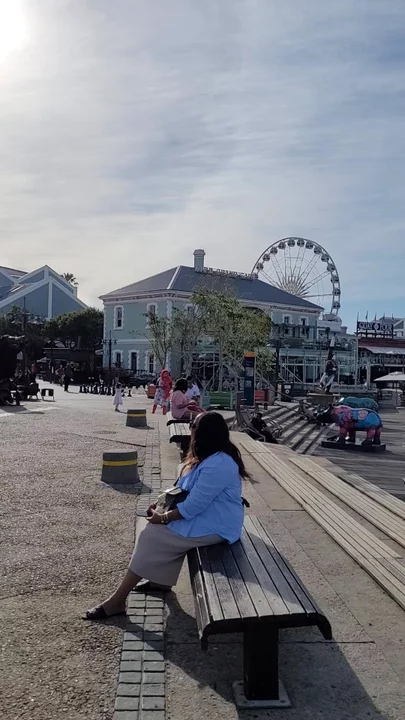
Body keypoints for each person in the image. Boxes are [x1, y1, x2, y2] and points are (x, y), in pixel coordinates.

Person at [84, 412, 250, 619]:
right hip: (209, 516)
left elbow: (193, 506)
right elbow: (182, 488)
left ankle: (117, 601)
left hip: (218, 525)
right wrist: (161, 505)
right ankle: (160, 582)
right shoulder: (208, 456)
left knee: (151, 534)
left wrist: (163, 518)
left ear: (204, 433)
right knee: (152, 529)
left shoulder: (219, 464)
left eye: (193, 425)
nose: (190, 428)